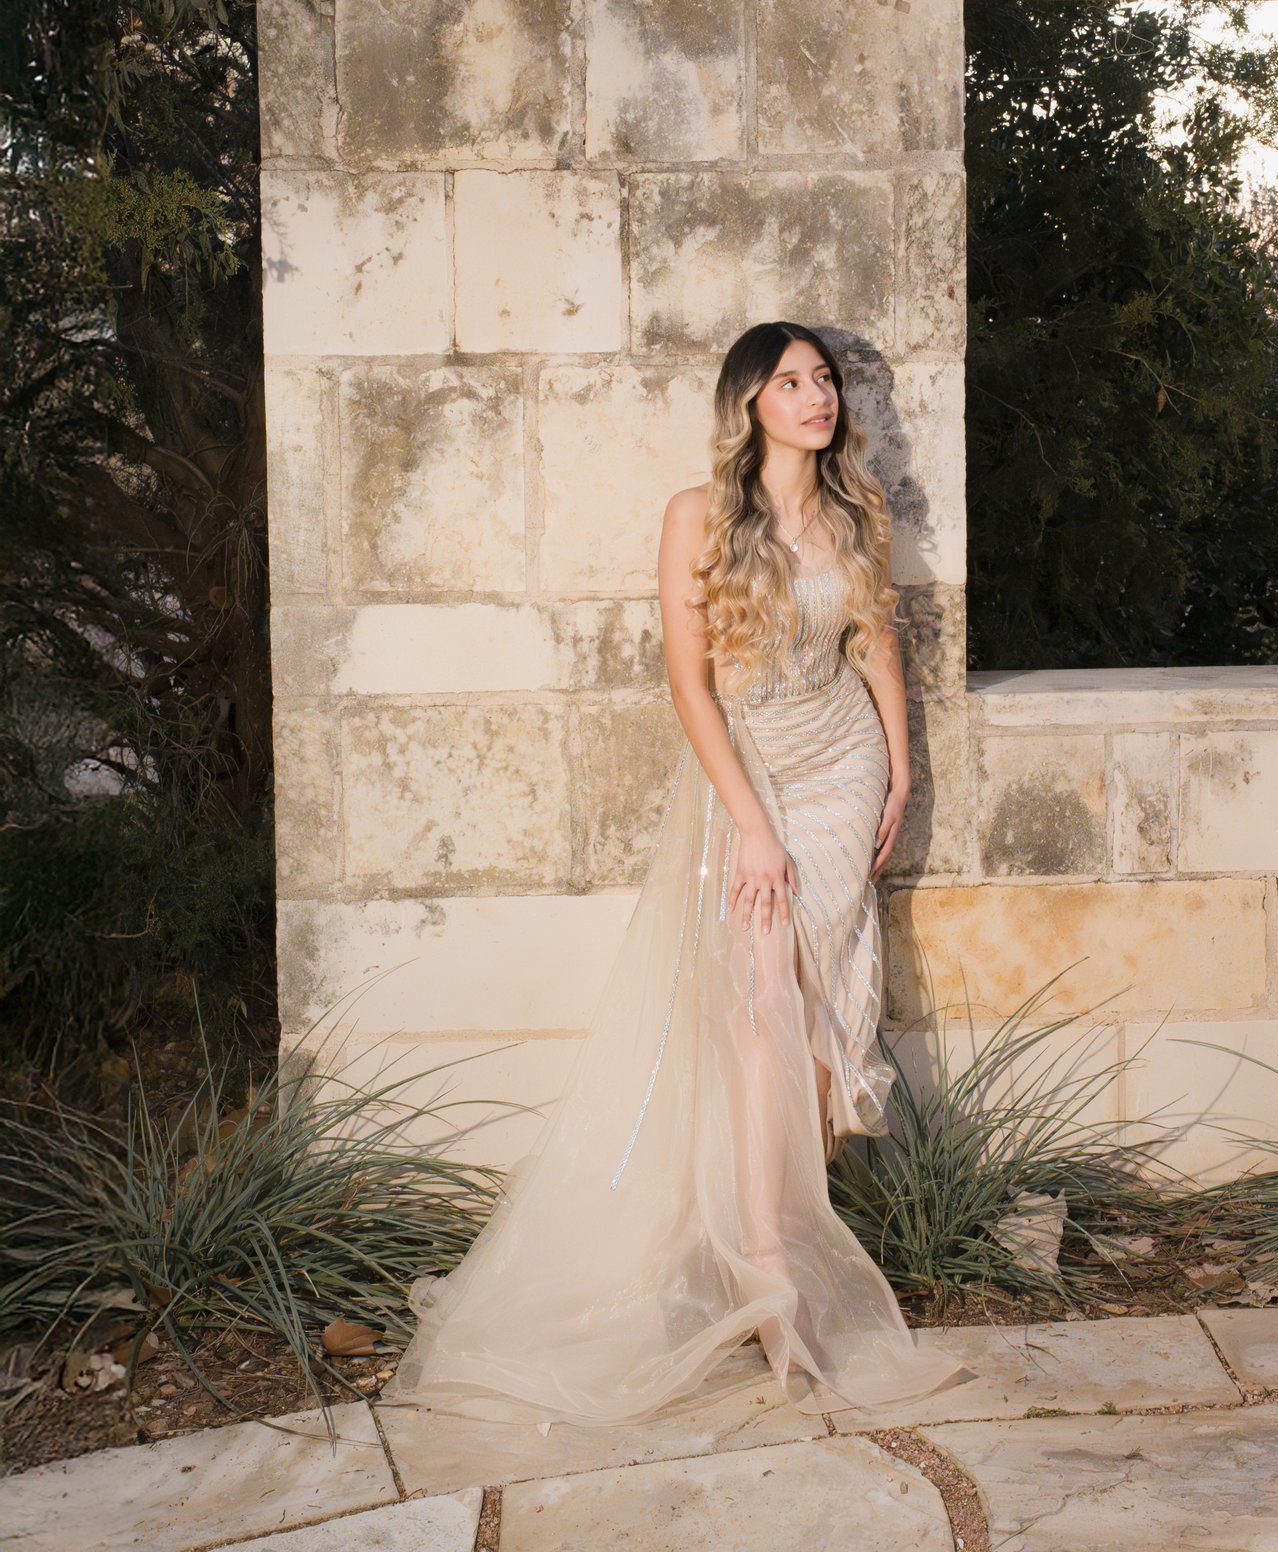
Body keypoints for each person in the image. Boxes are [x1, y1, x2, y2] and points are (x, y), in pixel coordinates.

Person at [384, 321, 968, 1427]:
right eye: (791, 382)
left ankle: (783, 1232)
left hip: (841, 763)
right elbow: (690, 687)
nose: (818, 396)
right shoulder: (696, 516)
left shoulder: (856, 509)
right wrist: (750, 825)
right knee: (760, 993)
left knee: (808, 997)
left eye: (824, 379)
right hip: (751, 770)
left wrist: (897, 767)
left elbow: (876, 643)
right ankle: (766, 1261)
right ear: (749, 403)